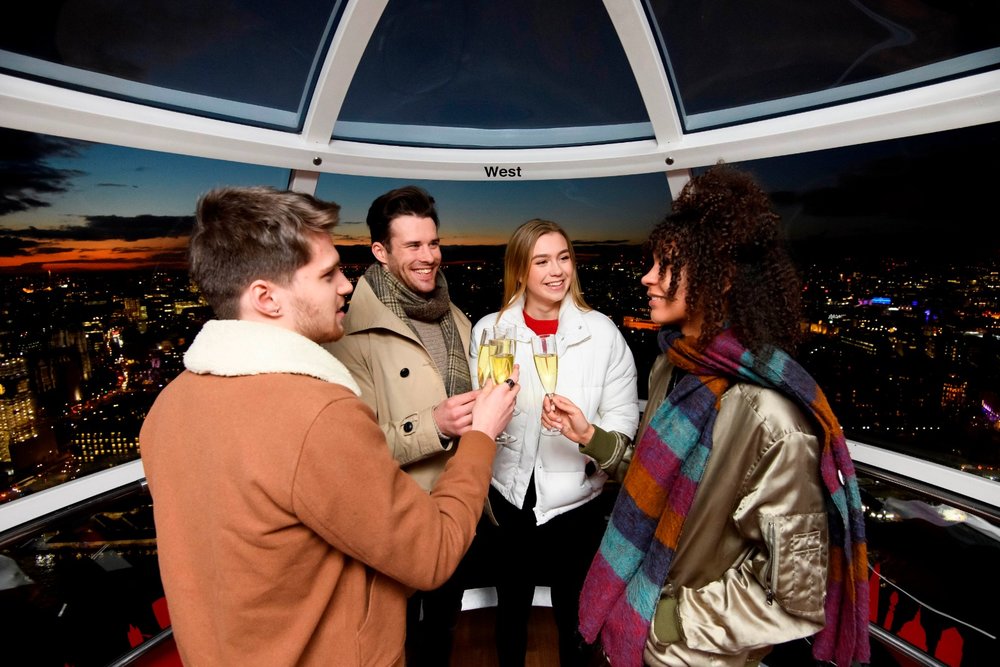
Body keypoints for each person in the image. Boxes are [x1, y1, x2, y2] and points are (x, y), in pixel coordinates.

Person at [139, 186, 519, 667]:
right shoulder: (317, 413)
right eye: (327, 274)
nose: (345, 284)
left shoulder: (168, 407)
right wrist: (481, 436)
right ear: (266, 298)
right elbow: (432, 553)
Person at [573, 164, 870, 667]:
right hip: (631, 625)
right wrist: (593, 439)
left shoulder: (773, 420)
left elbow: (793, 595)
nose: (646, 277)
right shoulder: (671, 368)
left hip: (686, 651)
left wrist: (671, 621)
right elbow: (657, 481)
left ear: (722, 277)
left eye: (666, 266)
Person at [469, 219, 640, 667]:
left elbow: (623, 420)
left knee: (576, 617)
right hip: (509, 494)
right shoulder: (489, 330)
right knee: (511, 611)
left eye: (563, 257)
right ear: (520, 270)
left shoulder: (602, 333)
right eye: (542, 260)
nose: (557, 270)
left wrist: (586, 435)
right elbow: (480, 409)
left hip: (577, 502)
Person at [323, 185, 479, 666]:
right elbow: (355, 452)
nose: (428, 256)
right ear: (380, 252)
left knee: (442, 633)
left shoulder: (456, 317)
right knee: (396, 642)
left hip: (455, 509)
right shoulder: (350, 334)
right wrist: (433, 424)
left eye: (432, 243)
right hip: (398, 520)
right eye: (412, 246)